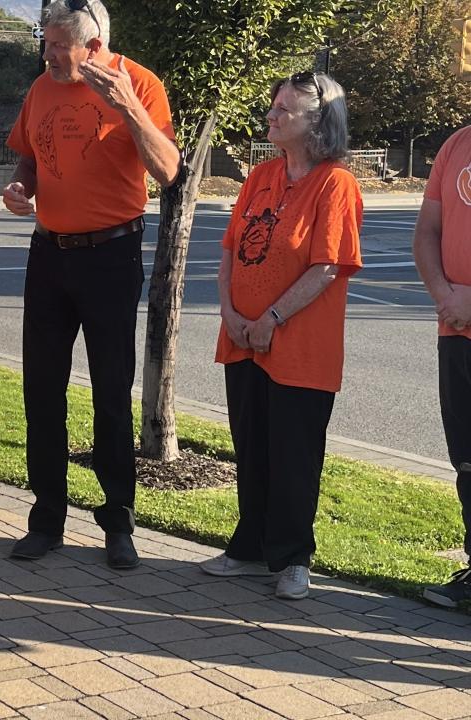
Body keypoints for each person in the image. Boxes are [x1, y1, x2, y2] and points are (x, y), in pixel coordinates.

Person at [3, 0, 180, 567]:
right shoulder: (41, 88)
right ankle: (46, 519)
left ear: (94, 45)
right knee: (41, 389)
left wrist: (128, 107)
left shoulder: (140, 84)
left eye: (60, 46)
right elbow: (29, 158)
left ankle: (118, 522)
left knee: (110, 390)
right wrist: (20, 188)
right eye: (47, 43)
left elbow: (168, 170)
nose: (49, 55)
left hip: (111, 254)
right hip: (48, 254)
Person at [203, 72, 362, 600]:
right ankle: (250, 548)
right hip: (242, 339)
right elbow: (231, 249)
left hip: (299, 348)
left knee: (294, 454)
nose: (271, 116)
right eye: (273, 107)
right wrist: (229, 312)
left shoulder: (335, 184)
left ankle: (293, 558)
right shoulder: (261, 175)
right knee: (251, 448)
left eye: (284, 110)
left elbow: (328, 266)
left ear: (317, 122)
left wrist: (271, 318)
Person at [413, 123, 471, 608]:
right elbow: (427, 232)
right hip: (455, 332)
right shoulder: (457, 144)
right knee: (467, 459)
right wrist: (444, 295)